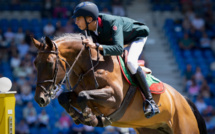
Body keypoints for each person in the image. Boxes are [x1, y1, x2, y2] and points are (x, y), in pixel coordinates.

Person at [72, 1, 159, 118]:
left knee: (131, 62)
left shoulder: (111, 22)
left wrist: (97, 46)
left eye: (78, 18)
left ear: (88, 19)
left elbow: (118, 49)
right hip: (118, 41)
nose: (76, 22)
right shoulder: (89, 29)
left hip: (136, 37)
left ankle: (150, 102)